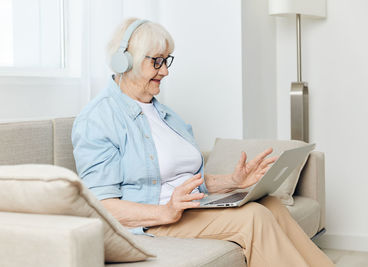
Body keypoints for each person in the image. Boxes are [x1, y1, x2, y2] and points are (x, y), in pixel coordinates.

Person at [72, 18, 334, 267]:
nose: (164, 71)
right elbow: (102, 205)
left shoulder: (165, 114)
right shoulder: (98, 119)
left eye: (167, 61)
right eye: (157, 62)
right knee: (253, 217)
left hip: (188, 210)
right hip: (155, 222)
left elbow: (183, 178)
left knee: (271, 204)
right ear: (125, 61)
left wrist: (233, 182)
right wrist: (165, 212)